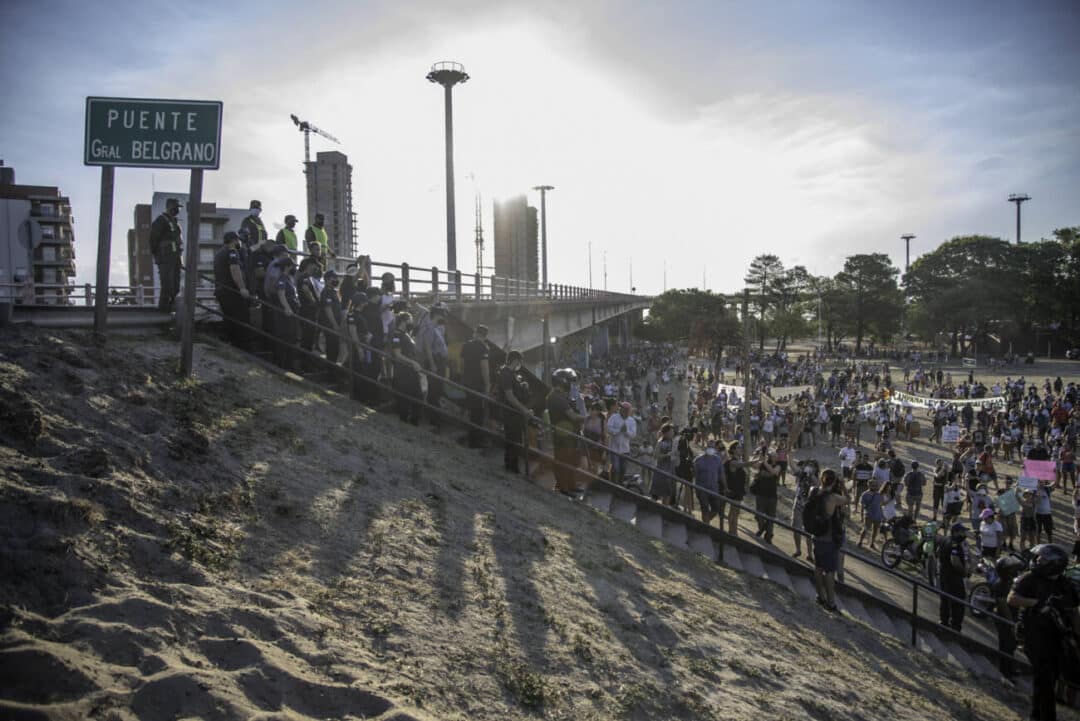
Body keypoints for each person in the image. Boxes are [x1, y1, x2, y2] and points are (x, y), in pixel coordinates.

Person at [1008, 544, 1080, 721]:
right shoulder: (1029, 579)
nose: (1037, 561)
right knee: (1045, 678)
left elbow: (1073, 610)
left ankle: (1037, 715)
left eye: (1041, 559)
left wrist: (1077, 636)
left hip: (1057, 636)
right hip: (1034, 634)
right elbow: (1012, 598)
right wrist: (1037, 603)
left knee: (1051, 678)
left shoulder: (1064, 584)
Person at [809, 469, 848, 613]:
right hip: (828, 538)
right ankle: (831, 603)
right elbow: (848, 500)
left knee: (818, 567)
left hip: (816, 535)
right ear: (833, 482)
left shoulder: (814, 491)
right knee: (829, 571)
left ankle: (820, 596)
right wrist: (843, 485)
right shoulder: (833, 498)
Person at [548, 368, 586, 495]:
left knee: (572, 461)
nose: (571, 385)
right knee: (563, 461)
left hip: (570, 434)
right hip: (562, 436)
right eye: (570, 382)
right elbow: (573, 416)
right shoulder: (557, 398)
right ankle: (563, 487)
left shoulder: (562, 396)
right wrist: (587, 418)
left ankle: (571, 484)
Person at [212, 230, 250, 348]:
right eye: (238, 240)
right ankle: (240, 349)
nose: (239, 242)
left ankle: (230, 346)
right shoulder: (232, 251)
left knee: (230, 320)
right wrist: (242, 288)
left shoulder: (219, 252)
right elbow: (235, 269)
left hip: (222, 291)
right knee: (241, 320)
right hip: (231, 292)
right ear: (234, 240)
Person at [497, 351, 532, 473]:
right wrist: (524, 410)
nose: (520, 364)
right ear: (516, 360)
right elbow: (510, 396)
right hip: (510, 414)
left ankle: (513, 467)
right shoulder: (506, 374)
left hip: (515, 414)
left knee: (516, 441)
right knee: (513, 441)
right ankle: (511, 468)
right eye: (520, 361)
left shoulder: (513, 374)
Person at [417, 303, 450, 429]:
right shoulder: (430, 328)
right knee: (434, 390)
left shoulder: (438, 327)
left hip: (439, 361)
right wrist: (432, 364)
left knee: (438, 389)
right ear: (437, 315)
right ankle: (434, 418)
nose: (445, 317)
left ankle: (435, 417)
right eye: (443, 314)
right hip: (435, 361)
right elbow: (428, 348)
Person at [149, 197, 183, 313]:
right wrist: (158, 257)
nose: (177, 210)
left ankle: (171, 308)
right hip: (165, 258)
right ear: (169, 207)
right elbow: (153, 240)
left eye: (178, 208)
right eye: (176, 207)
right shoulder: (161, 221)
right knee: (167, 286)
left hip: (175, 258)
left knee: (176, 286)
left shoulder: (175, 222)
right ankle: (163, 311)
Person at [461, 325, 491, 448]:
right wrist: (488, 384)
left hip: (467, 381)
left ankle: (472, 438)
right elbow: (484, 368)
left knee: (471, 409)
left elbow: (462, 364)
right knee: (478, 413)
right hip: (478, 384)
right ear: (484, 336)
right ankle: (475, 442)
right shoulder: (483, 348)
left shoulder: (466, 345)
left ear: (476, 333)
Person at [390, 311, 422, 425]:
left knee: (418, 398)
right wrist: (413, 363)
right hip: (403, 373)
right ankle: (404, 424)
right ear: (403, 321)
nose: (411, 323)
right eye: (410, 320)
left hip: (412, 372)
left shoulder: (406, 334)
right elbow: (397, 355)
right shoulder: (396, 335)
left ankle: (414, 423)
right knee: (405, 400)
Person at [938, 522, 971, 632]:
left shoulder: (944, 539)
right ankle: (955, 627)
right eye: (962, 532)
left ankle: (944, 622)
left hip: (943, 574)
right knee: (958, 603)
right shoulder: (954, 544)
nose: (964, 534)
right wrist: (964, 572)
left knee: (945, 600)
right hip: (953, 577)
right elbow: (955, 561)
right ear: (955, 532)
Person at [750, 447, 780, 543]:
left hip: (772, 496)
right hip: (760, 494)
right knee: (758, 515)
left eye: (776, 456)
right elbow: (753, 465)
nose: (775, 457)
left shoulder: (779, 466)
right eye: (773, 455)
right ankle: (762, 528)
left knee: (771, 517)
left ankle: (768, 536)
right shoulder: (763, 464)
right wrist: (758, 455)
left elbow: (774, 472)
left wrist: (764, 462)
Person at [693, 439, 725, 525]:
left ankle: (705, 523)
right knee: (705, 508)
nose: (711, 448)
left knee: (716, 508)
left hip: (714, 488)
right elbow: (695, 475)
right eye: (709, 446)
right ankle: (706, 526)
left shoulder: (718, 460)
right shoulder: (698, 460)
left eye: (712, 447)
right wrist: (696, 488)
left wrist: (725, 486)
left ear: (715, 448)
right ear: (706, 447)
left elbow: (721, 474)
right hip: (702, 488)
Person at [318, 270, 344, 369]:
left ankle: (332, 371)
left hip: (335, 324)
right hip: (330, 325)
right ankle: (330, 373)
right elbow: (328, 310)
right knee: (332, 349)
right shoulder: (326, 292)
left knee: (335, 349)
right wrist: (335, 325)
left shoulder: (333, 291)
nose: (336, 280)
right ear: (327, 279)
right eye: (334, 278)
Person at [606, 402, 637, 484]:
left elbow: (633, 434)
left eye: (627, 411)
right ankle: (612, 483)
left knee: (623, 468)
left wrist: (626, 431)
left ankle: (620, 483)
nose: (626, 412)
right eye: (624, 410)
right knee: (616, 468)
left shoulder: (631, 421)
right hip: (614, 448)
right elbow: (609, 429)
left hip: (625, 449)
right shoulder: (614, 417)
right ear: (621, 410)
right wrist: (619, 430)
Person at [725, 442, 747, 536]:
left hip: (739, 489)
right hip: (733, 490)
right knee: (733, 511)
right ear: (733, 450)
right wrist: (752, 462)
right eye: (738, 448)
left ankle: (734, 530)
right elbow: (744, 464)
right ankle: (732, 531)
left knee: (736, 512)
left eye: (741, 448)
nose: (741, 449)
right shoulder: (732, 461)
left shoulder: (740, 460)